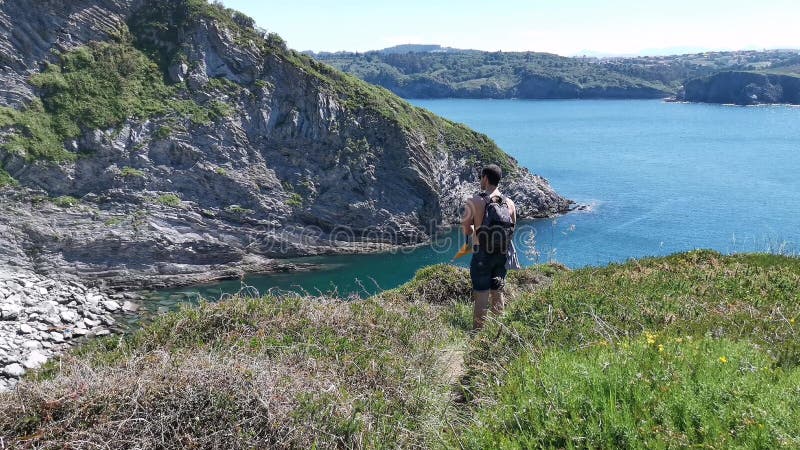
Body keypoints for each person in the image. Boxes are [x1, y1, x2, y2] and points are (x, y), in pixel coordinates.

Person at [461, 164, 516, 329]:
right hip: (502, 254)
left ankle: (478, 337)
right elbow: (512, 230)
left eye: (480, 177)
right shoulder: (510, 203)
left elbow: (466, 229)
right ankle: (499, 332)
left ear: (485, 178)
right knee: (498, 293)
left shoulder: (474, 201)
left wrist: (476, 229)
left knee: (481, 297)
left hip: (482, 254)